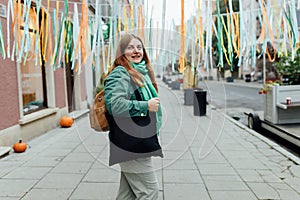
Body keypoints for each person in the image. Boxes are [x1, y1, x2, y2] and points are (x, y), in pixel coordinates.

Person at [104, 33, 163, 199]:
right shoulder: (121, 73)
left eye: (139, 47)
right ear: (122, 52)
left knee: (127, 194)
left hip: (134, 141)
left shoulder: (138, 72)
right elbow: (114, 105)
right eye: (130, 47)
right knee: (149, 193)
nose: (136, 51)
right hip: (132, 144)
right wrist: (146, 106)